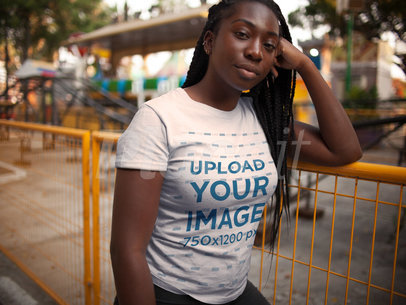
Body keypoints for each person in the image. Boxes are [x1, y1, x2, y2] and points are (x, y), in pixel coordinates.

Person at [110, 0, 362, 304]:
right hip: (168, 292)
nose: (256, 51)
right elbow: (127, 249)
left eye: (270, 45)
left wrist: (306, 66)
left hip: (235, 292)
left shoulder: (265, 120)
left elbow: (345, 150)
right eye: (243, 34)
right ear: (210, 41)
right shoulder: (159, 119)